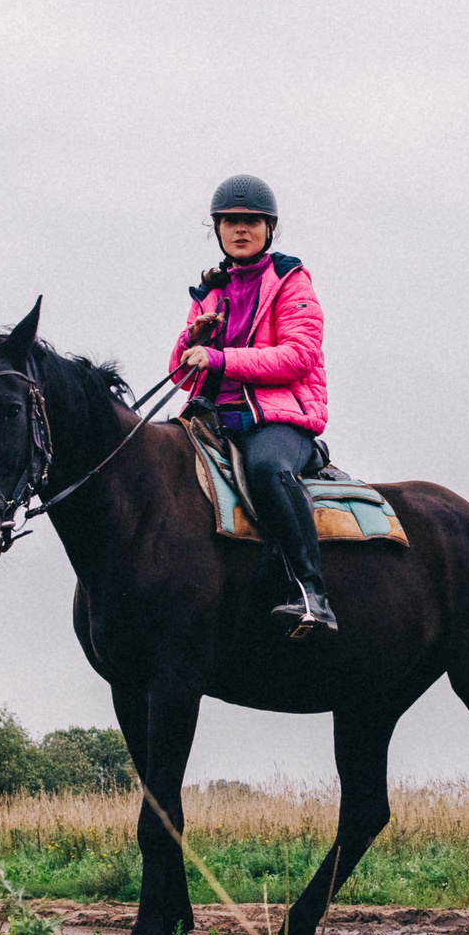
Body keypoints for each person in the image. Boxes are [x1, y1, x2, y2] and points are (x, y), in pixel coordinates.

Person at [171, 174, 337, 638]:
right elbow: (183, 374)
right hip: (211, 419)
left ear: (270, 228)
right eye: (230, 221)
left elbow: (299, 355)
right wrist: (193, 339)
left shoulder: (292, 281)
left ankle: (312, 592)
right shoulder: (209, 291)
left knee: (266, 469)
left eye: (251, 221)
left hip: (277, 418)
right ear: (217, 229)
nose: (240, 229)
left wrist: (221, 357)